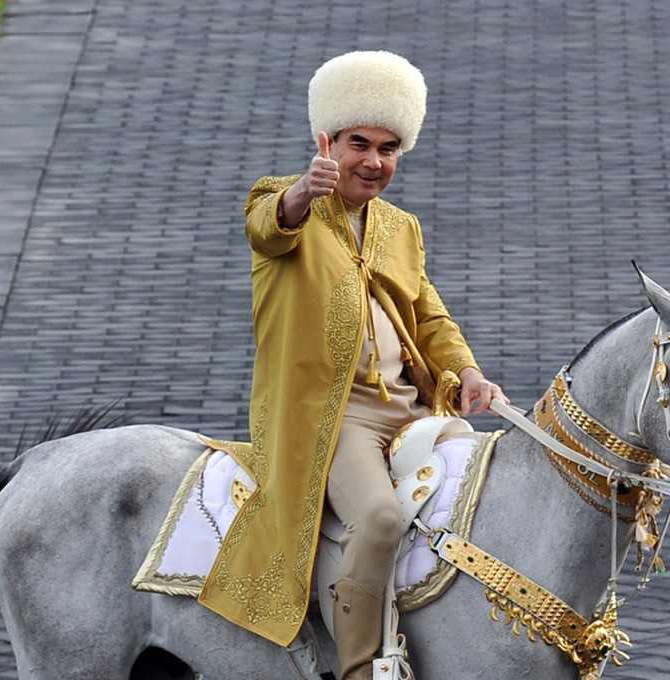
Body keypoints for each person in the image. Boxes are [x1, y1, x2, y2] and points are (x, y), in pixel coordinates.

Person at [197, 51, 508, 679]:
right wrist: (300, 194)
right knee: (382, 518)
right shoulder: (283, 202)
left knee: (490, 501)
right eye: (357, 144)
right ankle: (360, 668)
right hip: (333, 418)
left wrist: (468, 371)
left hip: (415, 410)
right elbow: (267, 227)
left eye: (388, 148)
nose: (373, 161)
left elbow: (431, 318)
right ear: (327, 142)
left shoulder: (401, 228)